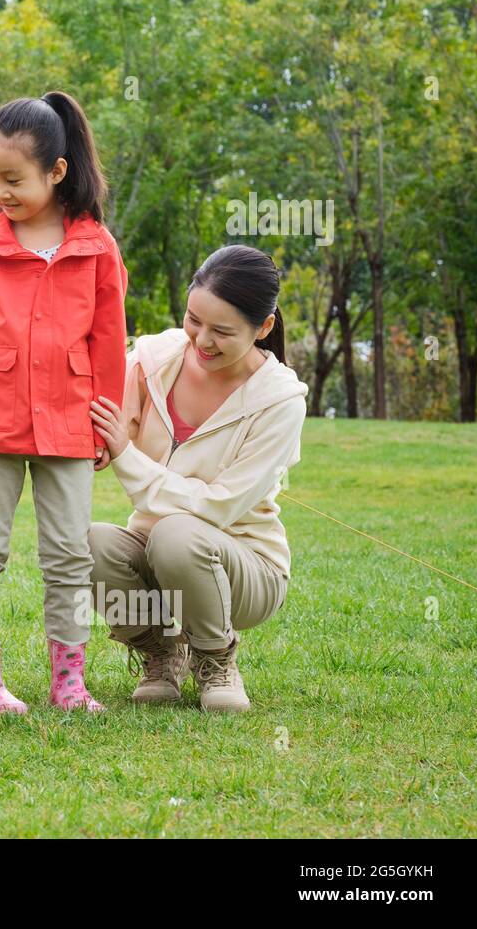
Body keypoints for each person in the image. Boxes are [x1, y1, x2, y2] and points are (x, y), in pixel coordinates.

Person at [0, 91, 127, 713]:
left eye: (12, 179)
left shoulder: (96, 248)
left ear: (57, 171)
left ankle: (70, 682)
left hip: (68, 423)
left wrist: (106, 421)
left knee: (69, 554)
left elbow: (109, 341)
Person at [87, 244, 308, 713]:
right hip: (155, 547)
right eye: (194, 320)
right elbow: (104, 412)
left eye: (221, 331)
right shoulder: (153, 358)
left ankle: (215, 658)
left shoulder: (280, 400)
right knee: (89, 542)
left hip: (245, 569)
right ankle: (161, 653)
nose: (201, 340)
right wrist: (96, 444)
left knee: (177, 532)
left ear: (263, 327)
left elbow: (217, 507)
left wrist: (126, 457)